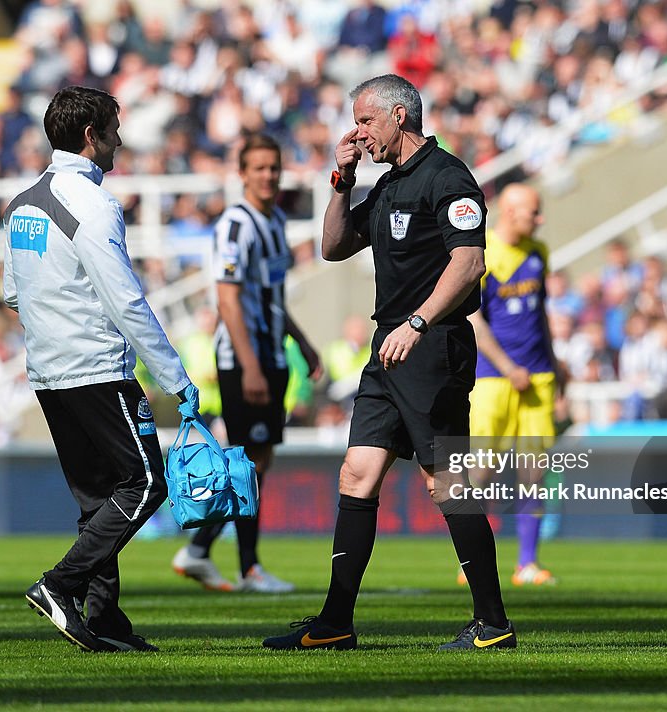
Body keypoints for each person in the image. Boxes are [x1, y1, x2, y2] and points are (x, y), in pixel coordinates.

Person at [262, 74, 515, 651]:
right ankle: (335, 623)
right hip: (388, 350)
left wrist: (419, 322)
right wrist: (340, 180)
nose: (358, 132)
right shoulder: (388, 183)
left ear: (399, 116)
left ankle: (494, 623)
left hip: (432, 346)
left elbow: (470, 262)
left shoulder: (448, 178)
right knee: (357, 472)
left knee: (445, 481)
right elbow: (332, 246)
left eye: (366, 120)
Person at [3, 85, 199, 653]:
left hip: (48, 373)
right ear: (91, 137)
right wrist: (175, 377)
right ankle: (59, 585)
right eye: (114, 130)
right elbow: (125, 300)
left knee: (96, 502)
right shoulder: (92, 202)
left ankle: (105, 618)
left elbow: (15, 295)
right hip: (97, 369)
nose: (120, 141)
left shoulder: (20, 204)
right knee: (144, 485)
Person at [171, 133, 322, 594]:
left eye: (274, 167)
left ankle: (201, 551)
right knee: (247, 462)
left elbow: (269, 297)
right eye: (258, 168)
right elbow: (229, 301)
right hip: (244, 359)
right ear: (242, 174)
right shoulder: (234, 225)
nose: (268, 176)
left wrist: (303, 344)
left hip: (271, 355)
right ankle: (245, 567)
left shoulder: (275, 222)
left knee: (259, 461)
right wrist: (250, 365)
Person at [464, 183, 561, 588]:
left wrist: (557, 368)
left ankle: (527, 564)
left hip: (538, 377)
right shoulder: (481, 254)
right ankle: (471, 562)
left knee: (533, 473)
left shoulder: (539, 252)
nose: (539, 220)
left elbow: (541, 315)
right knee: (482, 472)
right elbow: (474, 319)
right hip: (492, 379)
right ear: (508, 210)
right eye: (532, 212)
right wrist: (507, 367)